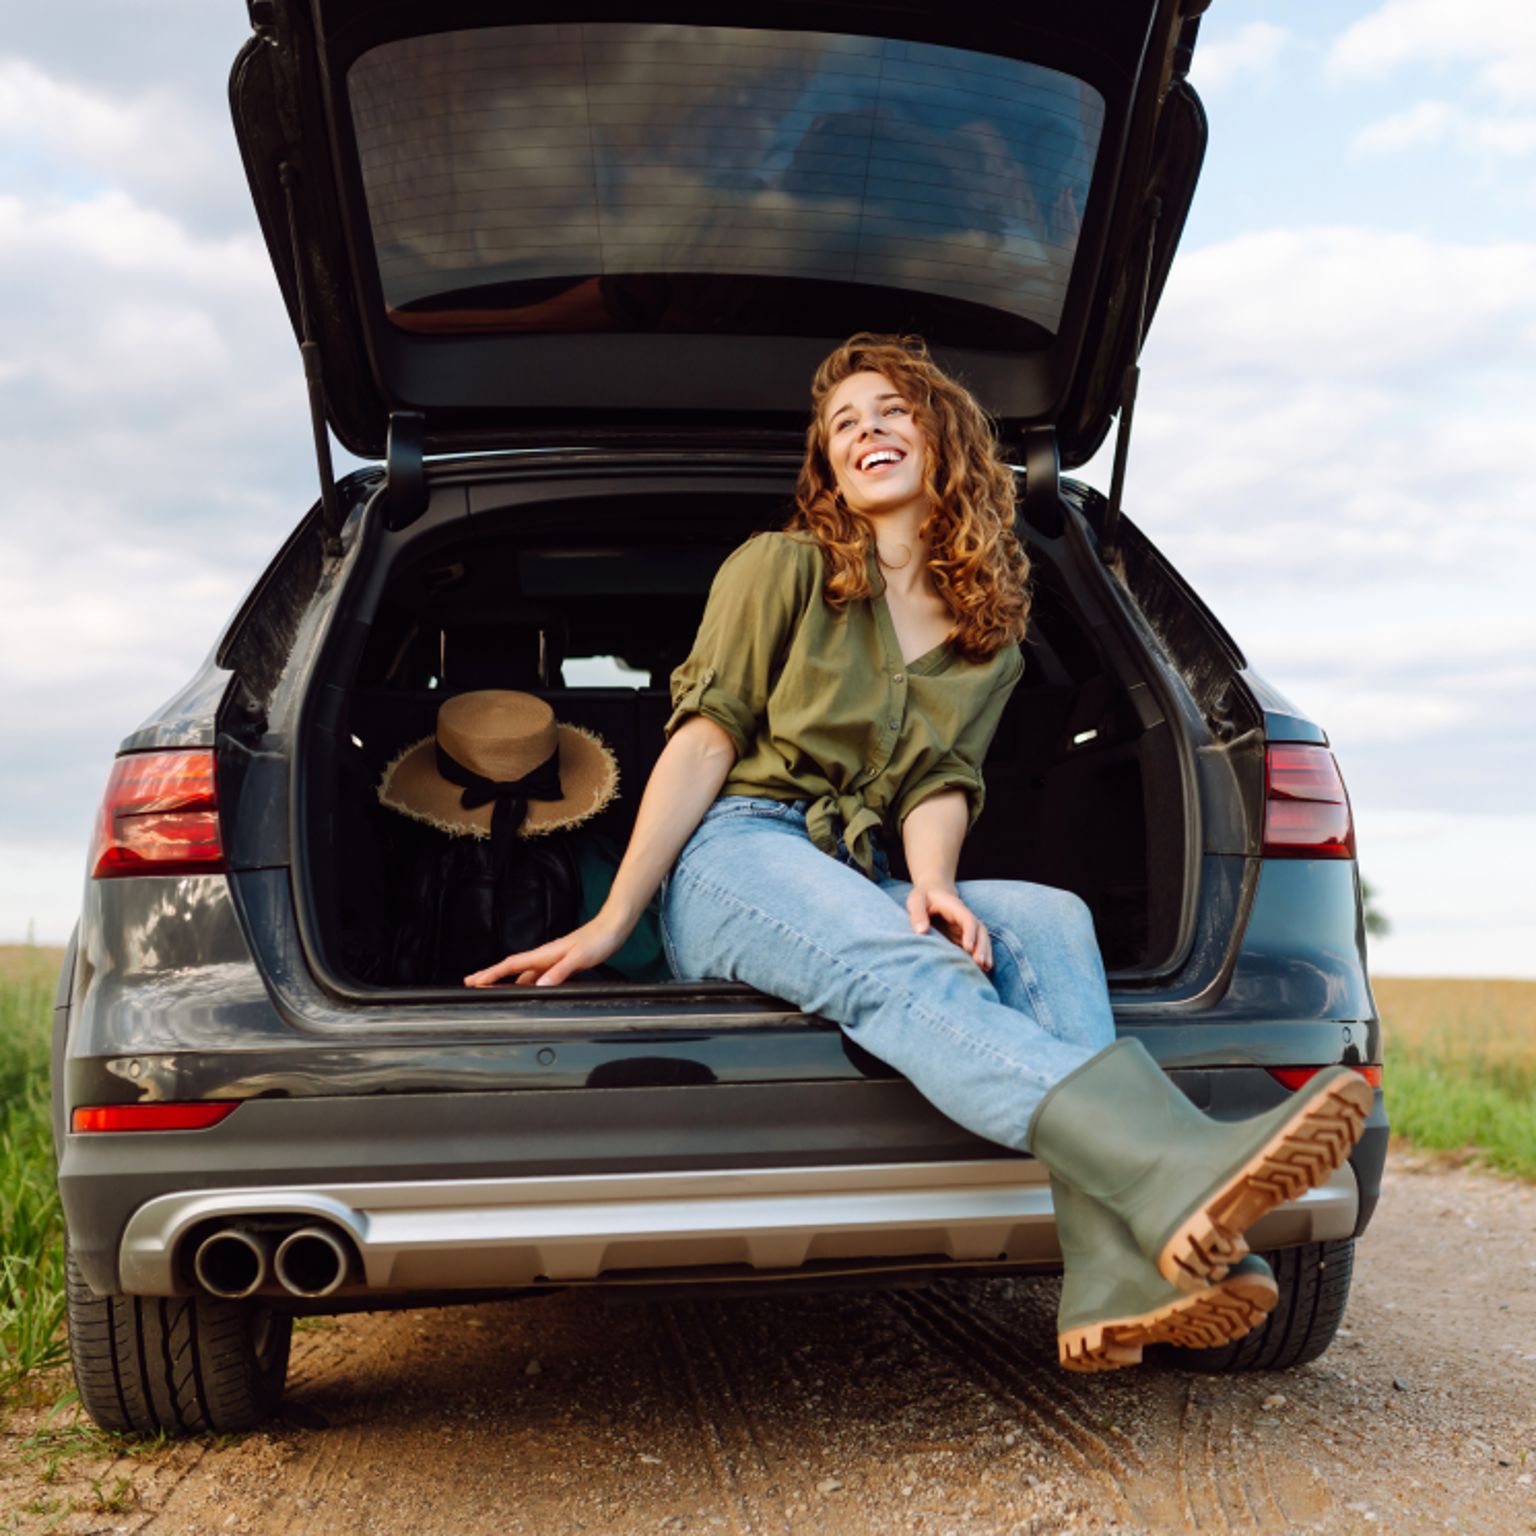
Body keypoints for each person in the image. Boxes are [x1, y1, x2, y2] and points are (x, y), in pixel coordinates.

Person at [465, 333, 1371, 1371]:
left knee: (1050, 917)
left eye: (892, 410)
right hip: (736, 855)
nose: (867, 432)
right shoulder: (782, 569)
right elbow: (703, 740)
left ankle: (1112, 1271)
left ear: (941, 438)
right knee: (916, 964)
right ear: (831, 469)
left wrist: (934, 882)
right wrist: (617, 916)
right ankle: (1166, 1161)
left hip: (860, 873)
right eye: (844, 424)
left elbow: (941, 781)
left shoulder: (988, 626)